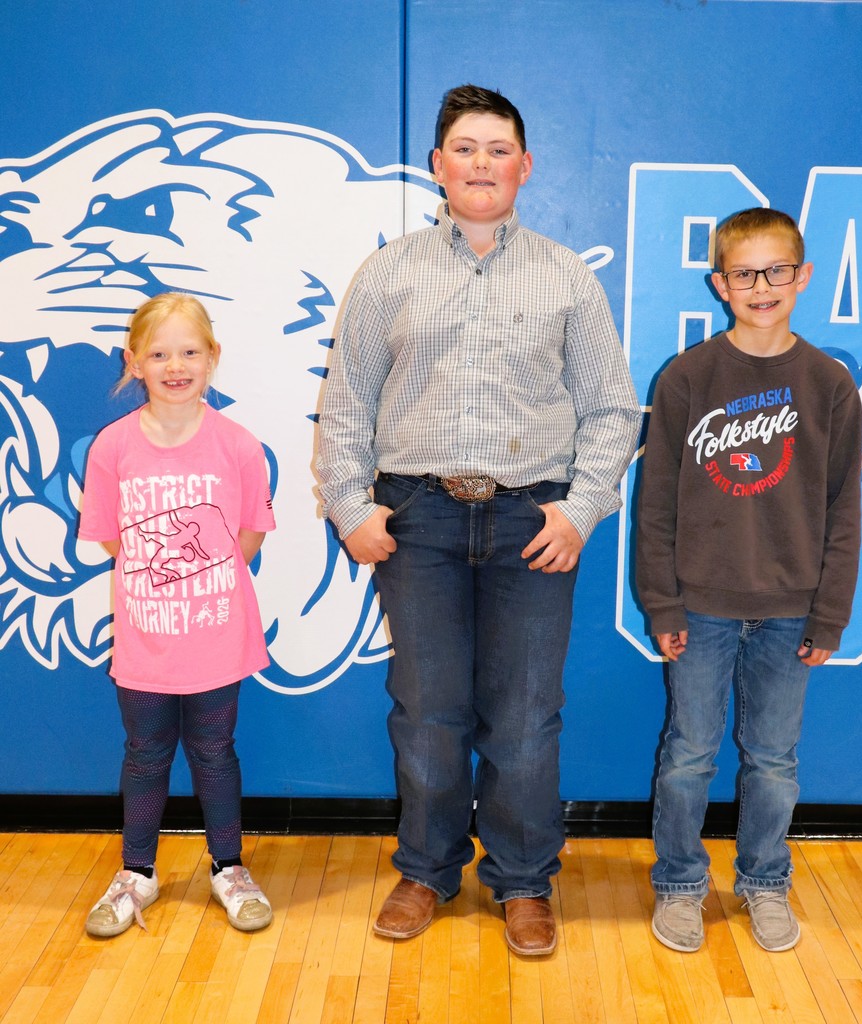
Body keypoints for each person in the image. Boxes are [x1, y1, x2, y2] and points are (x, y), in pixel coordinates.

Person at [317, 84, 640, 956]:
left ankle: (524, 881)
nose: (481, 163)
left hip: (531, 525)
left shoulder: (566, 276)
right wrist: (352, 508)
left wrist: (580, 511)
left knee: (527, 716)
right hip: (415, 520)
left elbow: (613, 411)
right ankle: (425, 869)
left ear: (525, 167)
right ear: (436, 166)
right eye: (464, 148)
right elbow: (346, 403)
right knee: (425, 710)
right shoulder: (388, 273)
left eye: (498, 149)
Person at [635, 208, 862, 953]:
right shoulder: (688, 377)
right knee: (689, 756)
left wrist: (828, 615)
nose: (760, 286)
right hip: (698, 606)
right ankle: (678, 884)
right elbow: (656, 503)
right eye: (744, 273)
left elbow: (842, 509)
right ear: (719, 283)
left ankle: (764, 881)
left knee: (772, 762)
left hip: (790, 612)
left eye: (776, 271)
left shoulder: (827, 384)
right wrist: (661, 600)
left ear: (801, 277)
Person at [79, 292, 275, 937]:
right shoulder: (112, 447)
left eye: (190, 352)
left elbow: (248, 534)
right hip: (146, 642)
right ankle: (138, 872)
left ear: (212, 358)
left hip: (217, 636)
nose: (175, 365)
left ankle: (229, 867)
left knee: (215, 751)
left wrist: (202, 577)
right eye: (159, 353)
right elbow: (114, 539)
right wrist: (162, 577)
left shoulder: (239, 446)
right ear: (134, 362)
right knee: (145, 753)